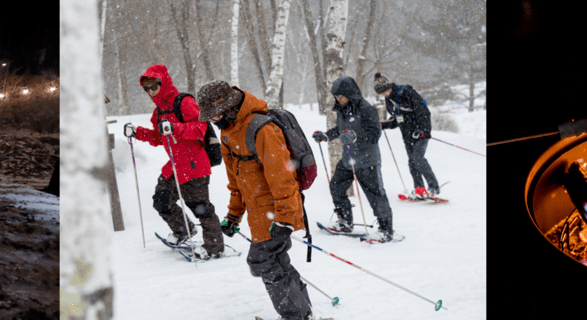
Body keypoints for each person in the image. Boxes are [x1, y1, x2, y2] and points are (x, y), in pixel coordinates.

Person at [197, 80, 313, 320]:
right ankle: (302, 312)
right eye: (211, 118)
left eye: (216, 115)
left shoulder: (262, 129)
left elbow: (283, 180)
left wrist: (285, 219)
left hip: (275, 212)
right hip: (258, 213)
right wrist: (233, 215)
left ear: (228, 108)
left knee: (263, 260)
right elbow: (237, 182)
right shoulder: (229, 133)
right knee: (276, 259)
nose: (214, 122)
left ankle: (296, 315)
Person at [123, 64, 224, 259]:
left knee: (200, 208)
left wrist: (175, 128)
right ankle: (183, 231)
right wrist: (138, 132)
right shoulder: (158, 111)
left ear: (164, 82)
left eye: (154, 86)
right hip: (175, 166)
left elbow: (200, 128)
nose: (151, 91)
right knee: (161, 201)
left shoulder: (184, 102)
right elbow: (158, 137)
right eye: (147, 89)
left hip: (195, 164)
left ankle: (214, 247)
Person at [312, 76, 400, 243]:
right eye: (336, 96)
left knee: (376, 196)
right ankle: (345, 222)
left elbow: (375, 134)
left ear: (350, 93)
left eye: (341, 95)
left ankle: (386, 230)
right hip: (348, 159)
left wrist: (355, 137)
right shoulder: (342, 109)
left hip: (368, 161)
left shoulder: (367, 109)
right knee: (336, 187)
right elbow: (341, 129)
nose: (338, 99)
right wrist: (326, 135)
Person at [374, 73, 441, 199]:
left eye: (385, 91)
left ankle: (434, 187)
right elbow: (397, 120)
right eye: (381, 93)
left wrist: (424, 130)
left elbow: (424, 112)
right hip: (407, 135)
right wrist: (384, 125)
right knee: (412, 162)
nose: (384, 94)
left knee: (418, 158)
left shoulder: (407, 92)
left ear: (390, 86)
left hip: (420, 132)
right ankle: (419, 189)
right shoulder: (389, 101)